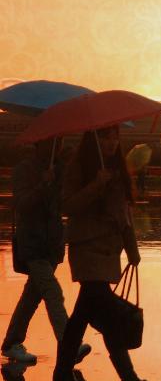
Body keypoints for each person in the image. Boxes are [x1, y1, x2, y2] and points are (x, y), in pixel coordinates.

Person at [52, 126, 150, 381]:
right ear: (93, 140)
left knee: (84, 316)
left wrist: (132, 248)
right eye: (105, 137)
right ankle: (128, 379)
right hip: (88, 250)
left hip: (109, 252)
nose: (111, 142)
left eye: (114, 137)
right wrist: (96, 184)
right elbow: (68, 205)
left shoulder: (117, 169)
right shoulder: (79, 168)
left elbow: (124, 214)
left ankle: (64, 374)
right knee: (104, 315)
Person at [3, 138, 90, 365]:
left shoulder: (59, 169)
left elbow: (63, 203)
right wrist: (43, 184)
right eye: (52, 143)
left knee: (31, 297)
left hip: (51, 244)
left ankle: (12, 343)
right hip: (32, 243)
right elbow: (21, 204)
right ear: (39, 143)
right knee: (52, 292)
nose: (56, 148)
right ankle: (68, 343)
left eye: (59, 143)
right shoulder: (24, 169)